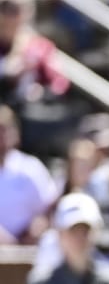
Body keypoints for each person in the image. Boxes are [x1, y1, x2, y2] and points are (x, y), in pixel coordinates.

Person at [0, 104, 58, 245]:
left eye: (5, 130)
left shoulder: (31, 167)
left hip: (27, 252)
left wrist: (34, 230)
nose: (2, 137)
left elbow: (49, 208)